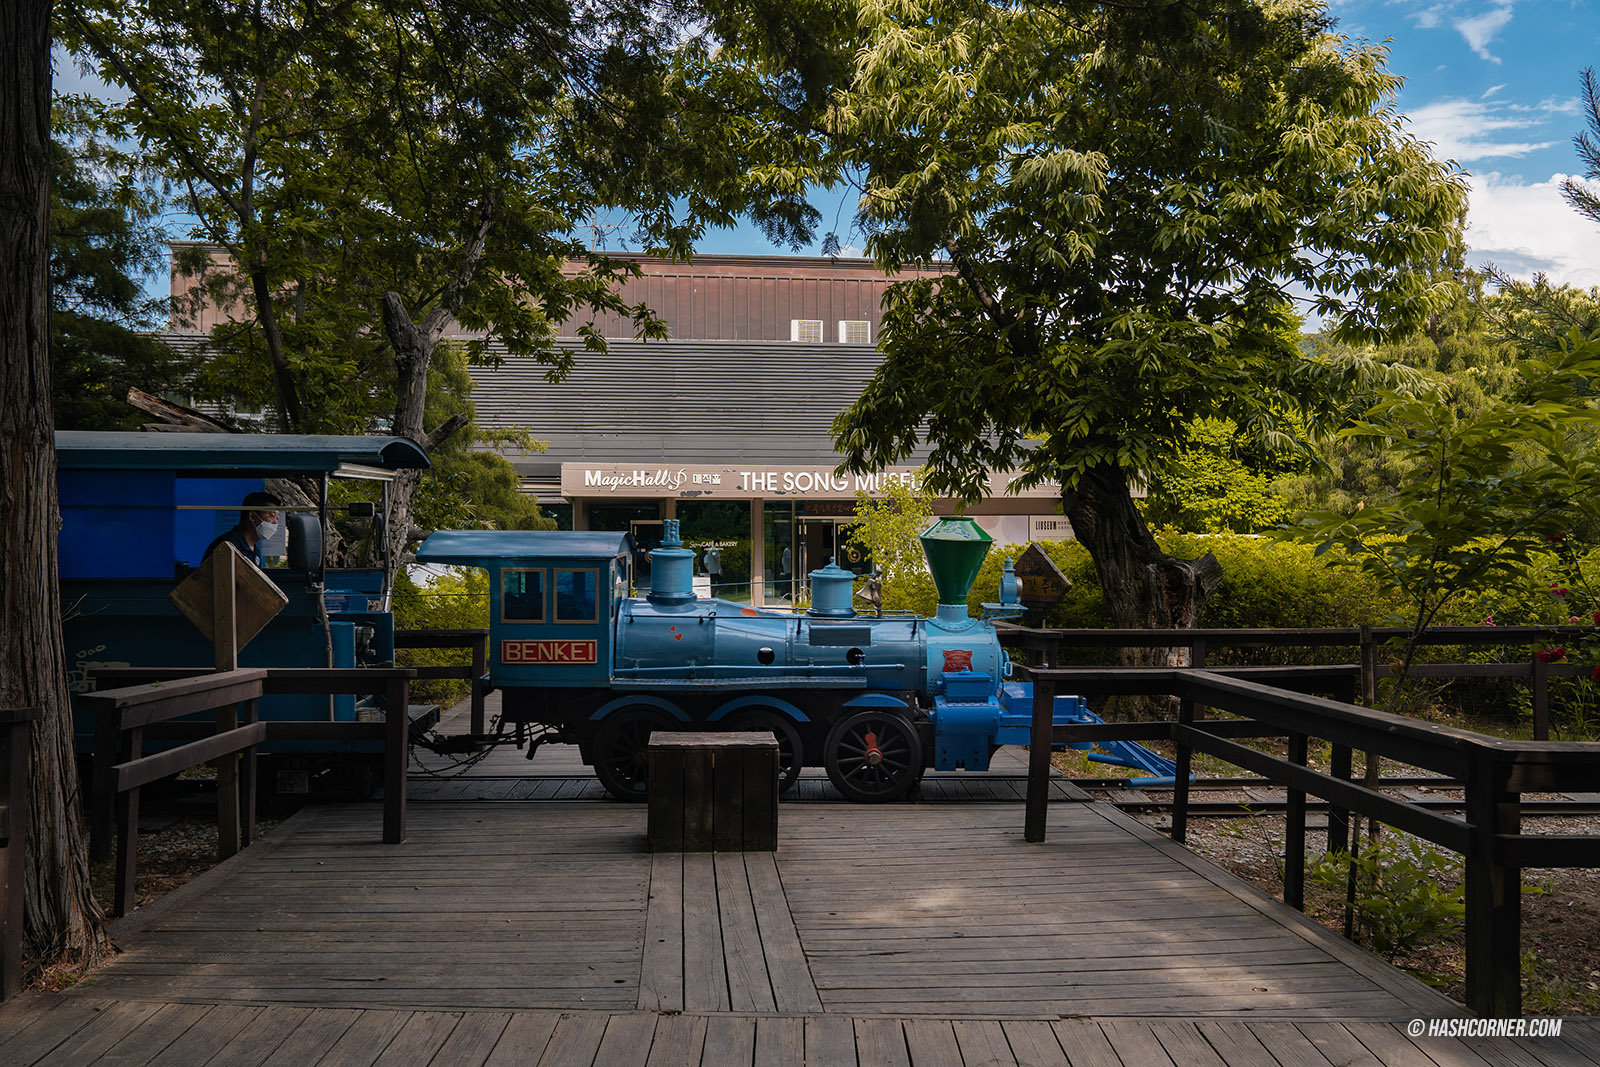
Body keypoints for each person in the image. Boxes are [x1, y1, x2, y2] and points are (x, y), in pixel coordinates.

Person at [203, 491, 281, 568]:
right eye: (271, 516)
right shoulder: (228, 546)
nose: (275, 523)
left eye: (277, 518)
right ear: (252, 516)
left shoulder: (255, 551)